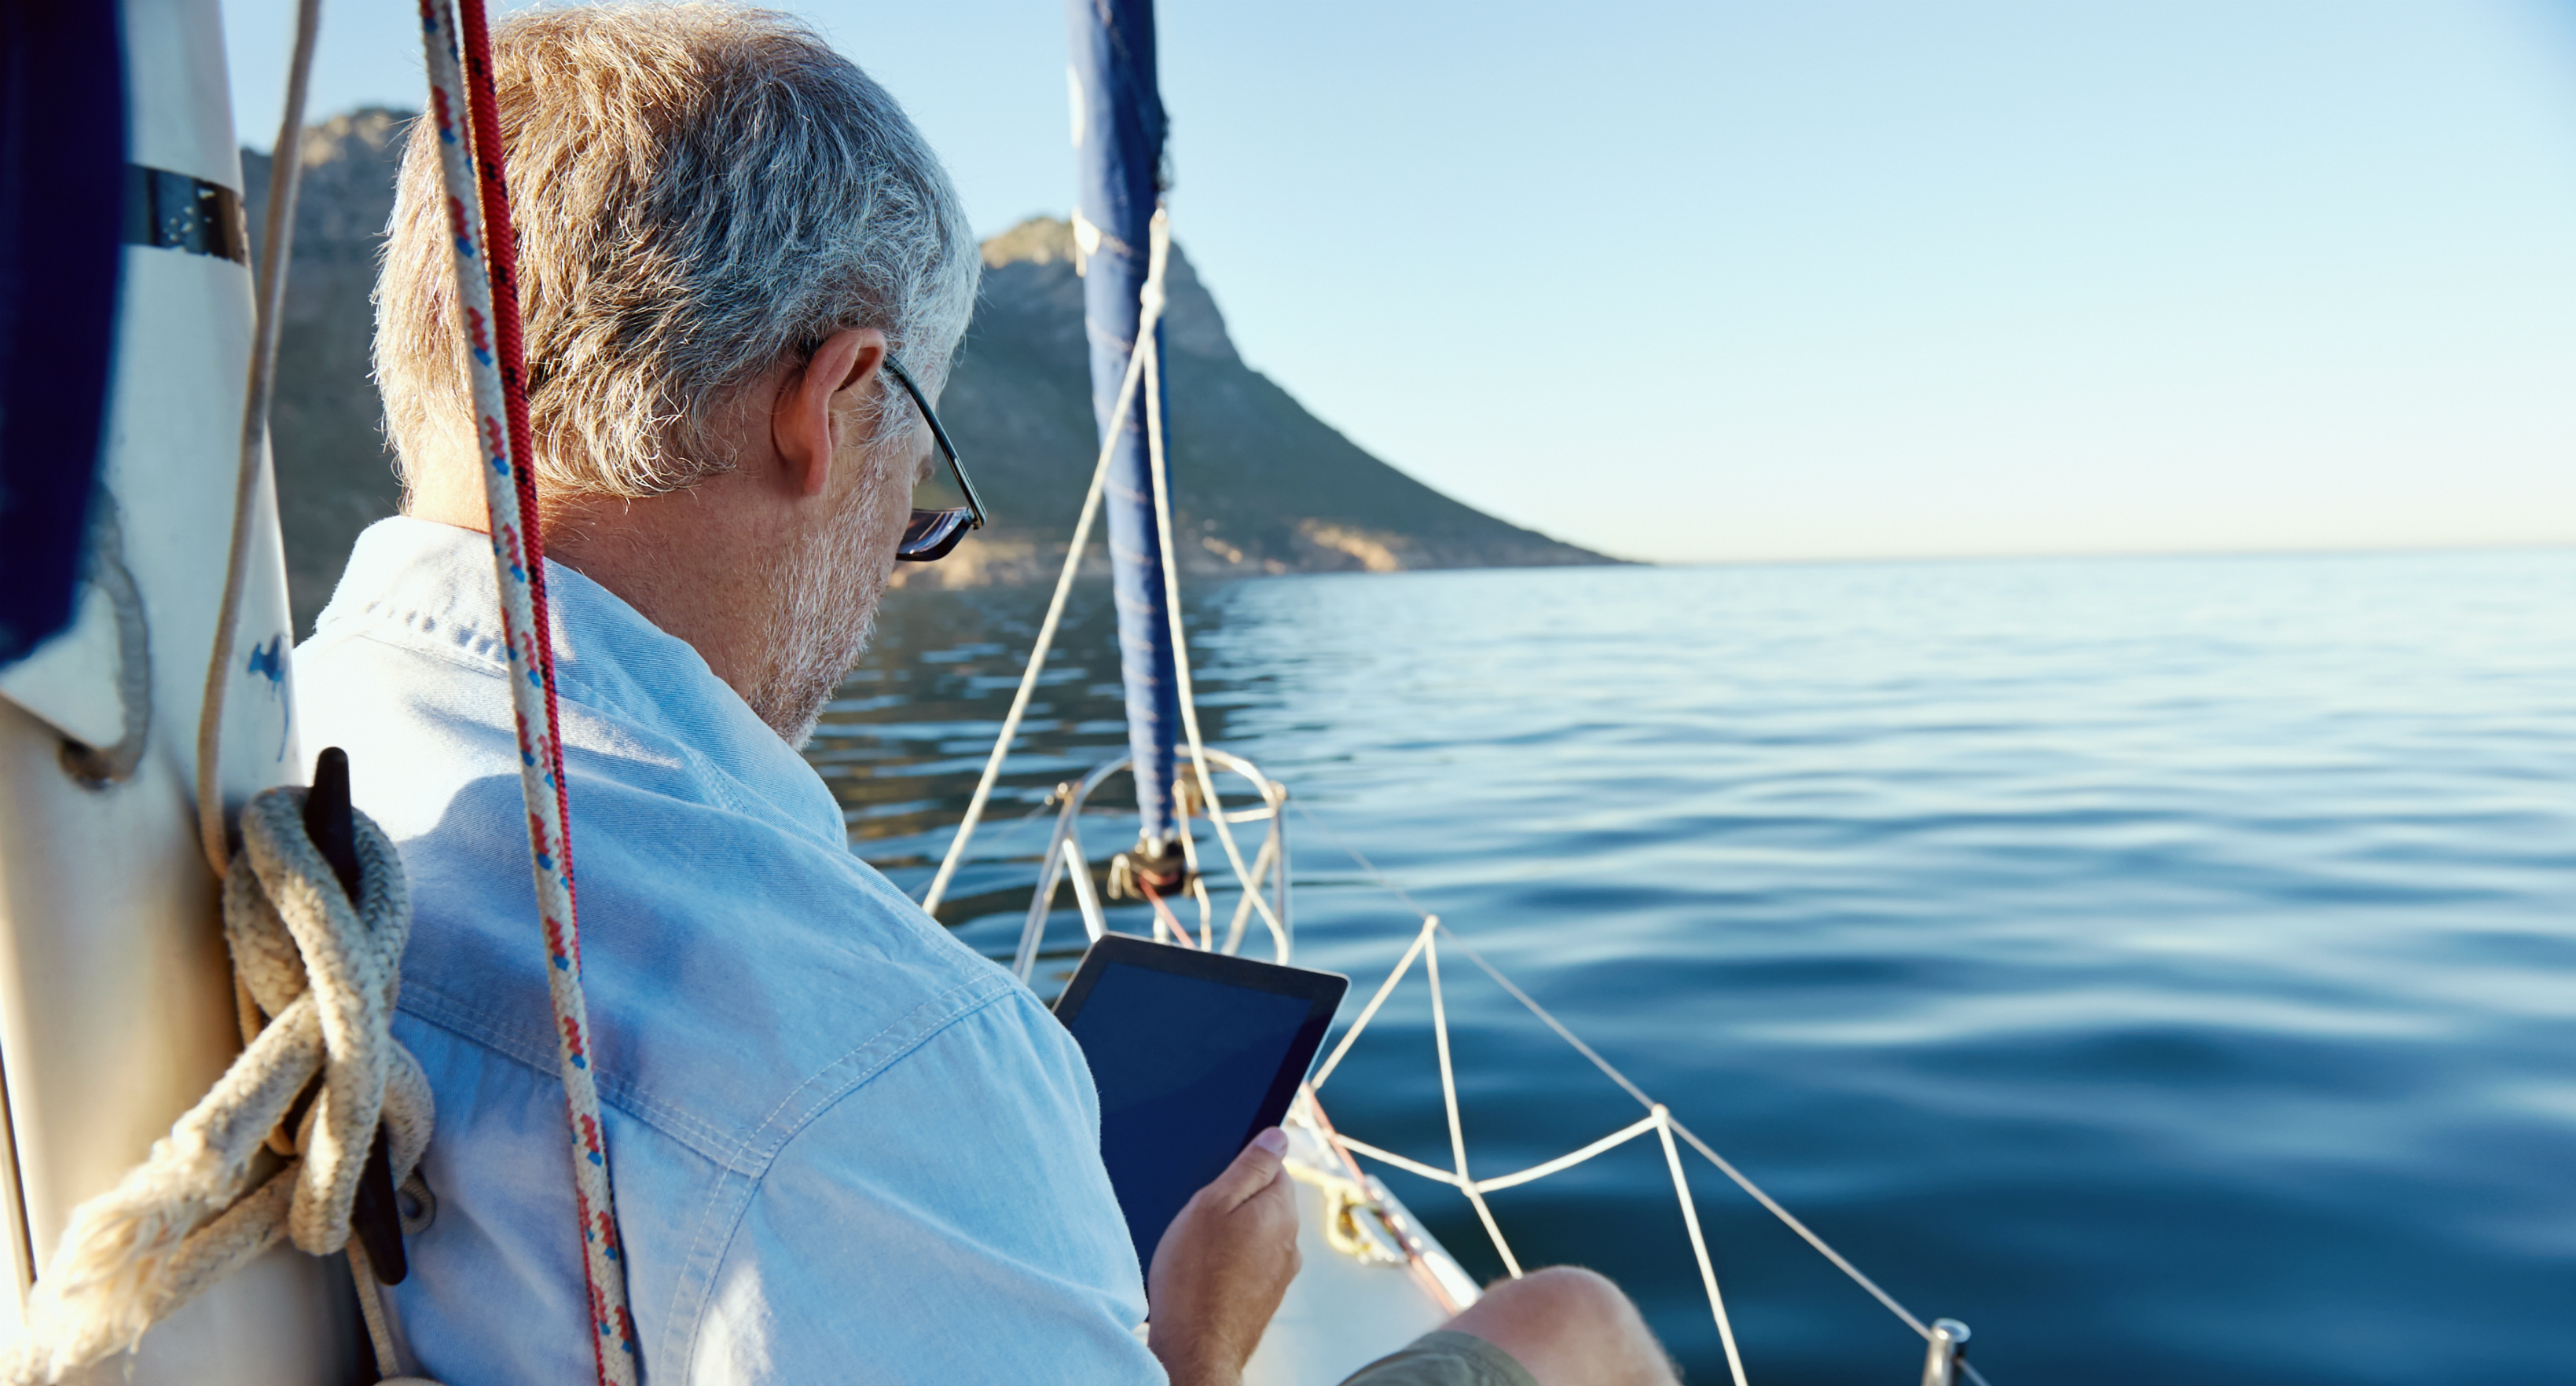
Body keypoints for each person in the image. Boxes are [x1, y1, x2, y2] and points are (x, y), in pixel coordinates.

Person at [297, 5, 1676, 1384]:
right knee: (1573, 1324)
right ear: (828, 403)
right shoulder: (878, 1077)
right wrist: (1189, 1348)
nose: (903, 558)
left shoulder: (273, 758)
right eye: (921, 485)